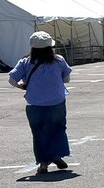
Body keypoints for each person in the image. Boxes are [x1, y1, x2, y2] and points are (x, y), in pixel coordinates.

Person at [7, 31, 72, 174]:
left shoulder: (25, 62)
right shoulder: (59, 60)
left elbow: (11, 79)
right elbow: (67, 79)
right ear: (50, 46)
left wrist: (21, 86)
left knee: (38, 132)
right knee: (57, 129)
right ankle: (56, 155)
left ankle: (43, 163)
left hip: (34, 103)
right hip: (56, 100)